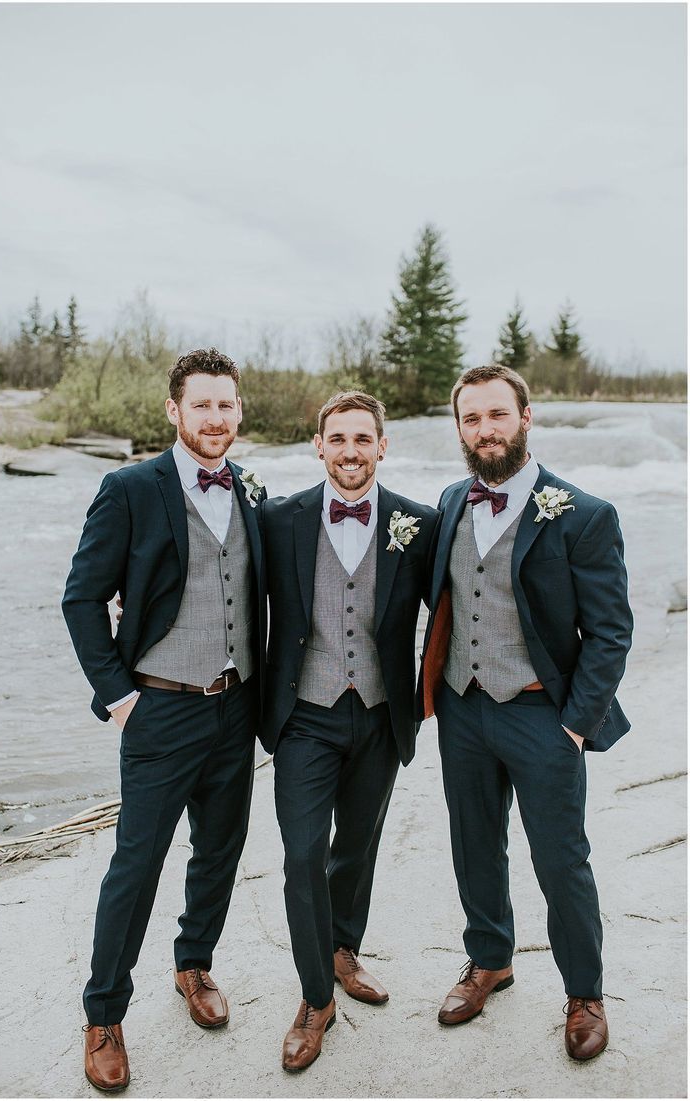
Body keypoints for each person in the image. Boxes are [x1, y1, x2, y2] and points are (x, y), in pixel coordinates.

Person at [62, 348, 266, 1092]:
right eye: (201, 404)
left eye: (227, 403)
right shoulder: (128, 489)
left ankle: (194, 963)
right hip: (159, 709)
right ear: (173, 411)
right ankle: (105, 1012)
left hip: (237, 706)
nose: (216, 417)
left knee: (219, 850)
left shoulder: (248, 488)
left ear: (241, 410)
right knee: (136, 865)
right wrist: (119, 696)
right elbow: (82, 598)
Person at [418, 363, 633, 1061]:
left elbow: (610, 631)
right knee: (473, 842)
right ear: (459, 427)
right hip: (462, 708)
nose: (485, 429)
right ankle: (491, 959)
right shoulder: (449, 502)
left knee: (561, 857)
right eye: (471, 418)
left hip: (544, 714)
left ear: (526, 417)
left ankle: (584, 992)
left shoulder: (584, 514)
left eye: (497, 415)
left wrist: (574, 723)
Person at [260, 391, 440, 1072]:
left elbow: (461, 602)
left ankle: (343, 947)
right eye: (338, 438)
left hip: (380, 711)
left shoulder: (417, 524)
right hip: (304, 713)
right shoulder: (278, 519)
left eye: (363, 438)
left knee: (356, 845)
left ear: (383, 446)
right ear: (318, 445)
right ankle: (315, 998)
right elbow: (227, 586)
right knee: (304, 852)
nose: (351, 451)